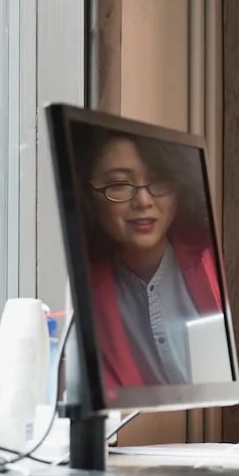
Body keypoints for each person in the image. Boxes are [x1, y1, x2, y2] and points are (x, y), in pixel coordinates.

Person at [76, 127, 222, 392]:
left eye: (160, 180)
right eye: (119, 185)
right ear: (89, 196)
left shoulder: (216, 259)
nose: (143, 201)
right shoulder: (85, 294)